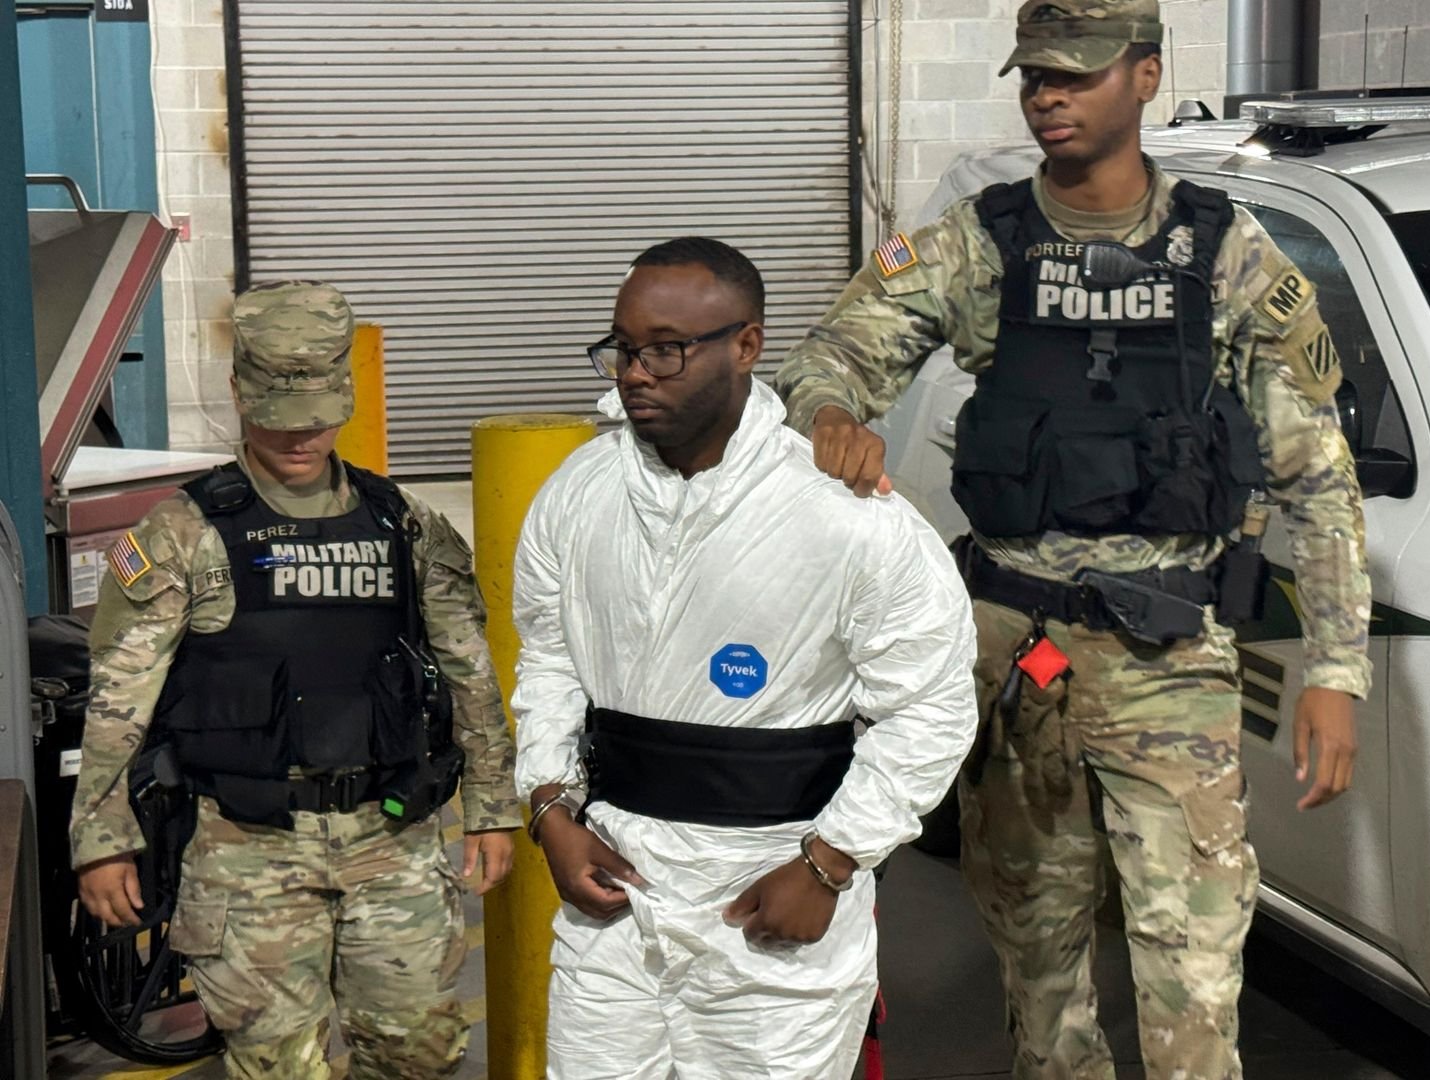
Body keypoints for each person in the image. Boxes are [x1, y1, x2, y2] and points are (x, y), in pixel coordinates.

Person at [772, 2, 1371, 1078]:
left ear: (1145, 75)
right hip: (1016, 664)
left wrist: (1335, 669)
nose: (1047, 96)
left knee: (1194, 985)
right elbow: (834, 352)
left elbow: (1316, 472)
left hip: (1171, 666)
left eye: (1076, 74)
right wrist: (829, 413)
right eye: (1034, 76)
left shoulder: (1229, 252)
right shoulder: (978, 243)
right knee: (1042, 987)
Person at [511, 237, 978, 1080]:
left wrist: (829, 865)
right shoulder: (578, 495)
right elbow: (550, 663)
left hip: (772, 903)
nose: (635, 373)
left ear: (747, 345)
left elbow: (931, 707)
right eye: (623, 348)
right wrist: (549, 809)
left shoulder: (845, 514)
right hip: (613, 906)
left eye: (666, 349)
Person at [70, 280, 520, 1079]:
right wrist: (101, 841)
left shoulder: (403, 524)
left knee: (418, 1053)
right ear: (239, 394)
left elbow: (469, 673)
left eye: (315, 418)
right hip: (245, 850)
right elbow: (118, 698)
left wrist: (491, 808)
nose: (298, 436)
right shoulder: (184, 534)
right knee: (278, 1066)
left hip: (392, 836)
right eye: (278, 417)